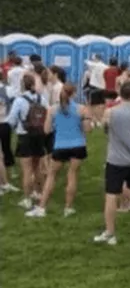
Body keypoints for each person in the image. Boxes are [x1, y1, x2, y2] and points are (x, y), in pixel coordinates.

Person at [94, 81, 130, 245]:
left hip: (116, 159)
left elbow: (105, 129)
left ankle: (110, 231)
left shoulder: (110, 111)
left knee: (111, 194)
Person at [26, 84, 91, 218]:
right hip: (78, 145)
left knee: (51, 176)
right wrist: (86, 119)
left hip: (60, 145)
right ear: (73, 94)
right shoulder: (81, 109)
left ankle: (42, 207)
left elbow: (46, 130)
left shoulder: (52, 109)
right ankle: (68, 208)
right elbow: (87, 130)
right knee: (72, 175)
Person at [6, 73, 48, 210]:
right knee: (37, 167)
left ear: (22, 85)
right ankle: (39, 192)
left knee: (26, 170)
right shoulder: (42, 98)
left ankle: (27, 198)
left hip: (24, 135)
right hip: (39, 135)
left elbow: (11, 119)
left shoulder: (19, 101)